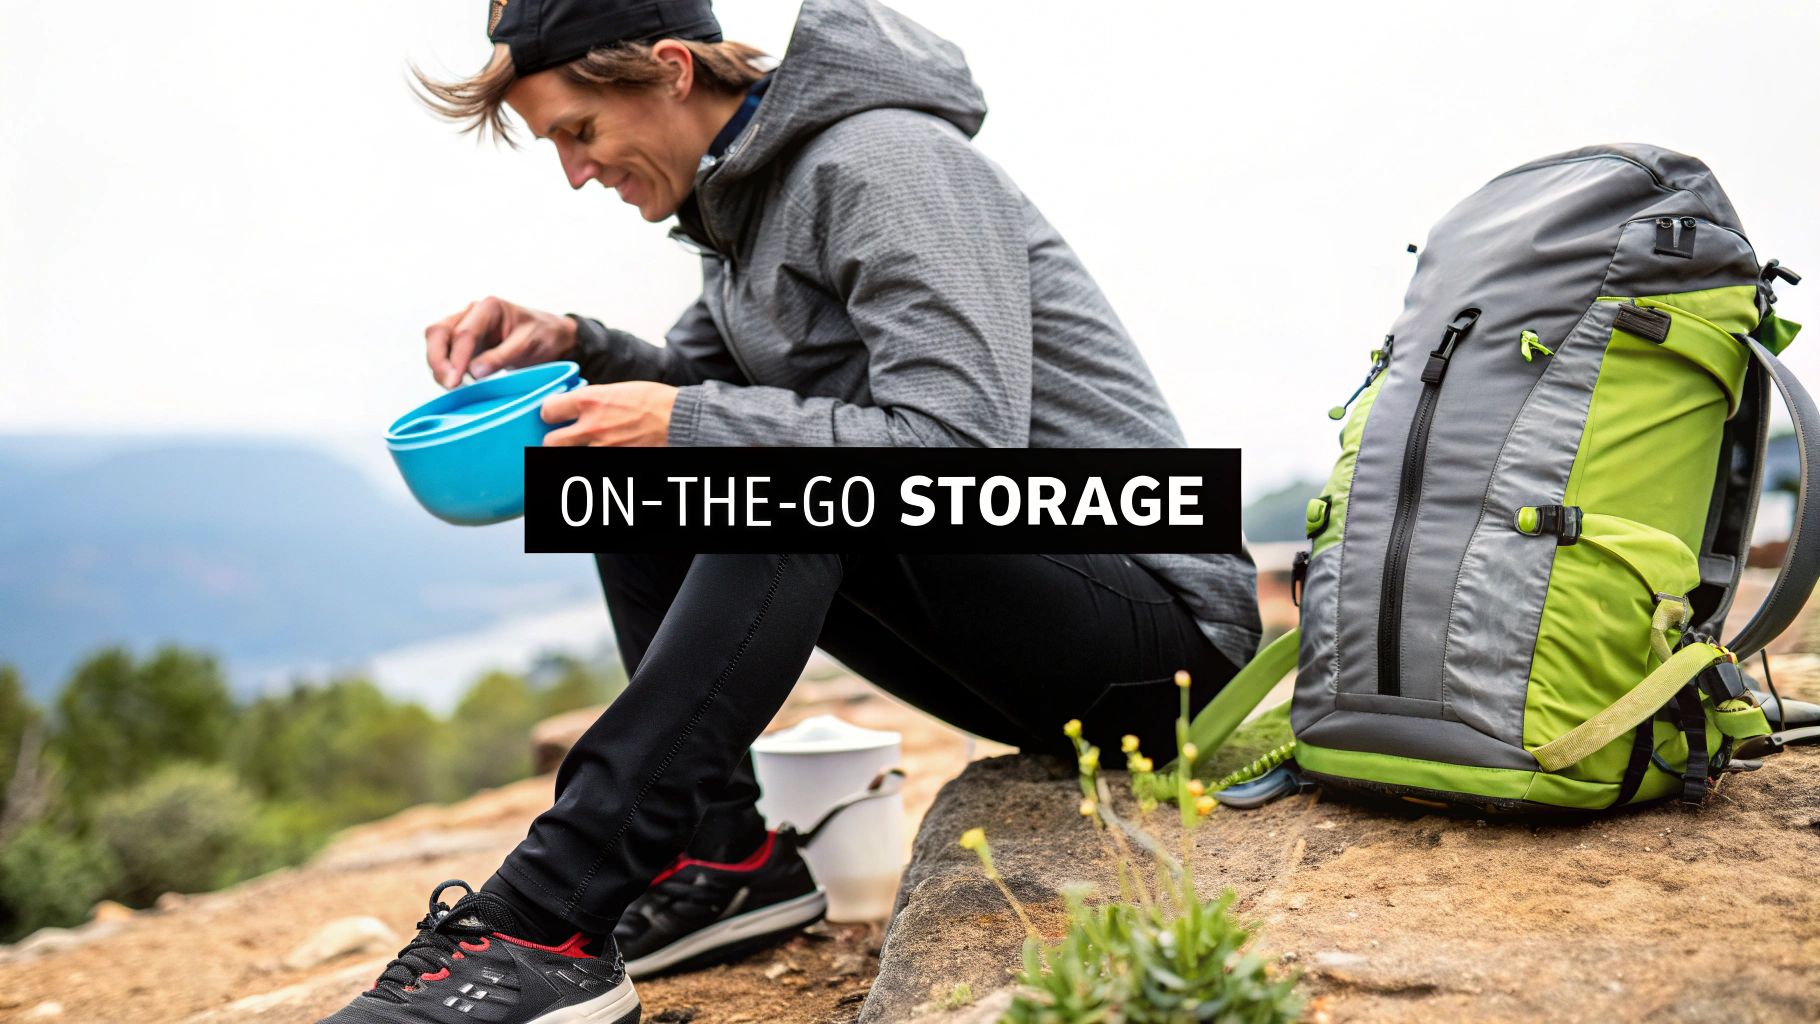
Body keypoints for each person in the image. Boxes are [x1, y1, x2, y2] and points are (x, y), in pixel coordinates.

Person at [326, 1, 1259, 1021]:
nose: (575, 174)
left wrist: (686, 419)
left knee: (765, 485)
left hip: (1166, 643)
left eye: (578, 133)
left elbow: (955, 448)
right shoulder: (741, 203)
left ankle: (541, 916)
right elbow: (701, 388)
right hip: (1035, 639)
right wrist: (580, 344)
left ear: (672, 69)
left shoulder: (883, 160)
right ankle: (718, 858)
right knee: (626, 471)